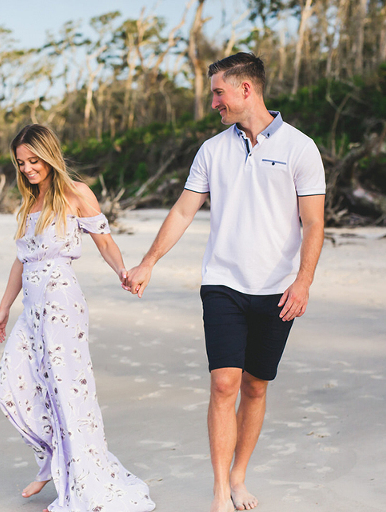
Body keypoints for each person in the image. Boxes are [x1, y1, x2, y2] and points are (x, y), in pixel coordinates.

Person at [125, 53, 326, 512]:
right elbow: (182, 210)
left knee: (256, 386)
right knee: (224, 384)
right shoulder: (213, 150)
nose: (213, 102)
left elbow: (313, 223)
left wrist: (304, 281)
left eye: (218, 92)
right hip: (223, 284)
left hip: (277, 288)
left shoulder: (300, 148)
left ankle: (239, 477)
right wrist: (148, 262)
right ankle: (219, 491)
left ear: (245, 90)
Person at [0, 124, 156, 512]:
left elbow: (104, 240)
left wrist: (123, 272)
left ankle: (78, 480)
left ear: (49, 156)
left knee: (68, 392)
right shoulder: (29, 202)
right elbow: (21, 261)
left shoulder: (75, 194)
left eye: (34, 161)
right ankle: (51, 459)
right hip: (32, 309)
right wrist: (3, 308)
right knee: (11, 388)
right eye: (21, 163)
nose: (28, 169)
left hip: (62, 303)